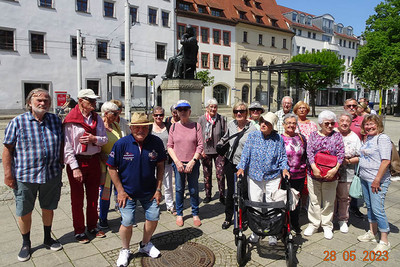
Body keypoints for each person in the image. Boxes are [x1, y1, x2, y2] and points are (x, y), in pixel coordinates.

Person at [3, 89, 64, 261]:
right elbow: (7, 149)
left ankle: (47, 238)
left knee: (48, 207)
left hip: (51, 174)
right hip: (25, 176)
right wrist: (8, 174)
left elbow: (61, 144)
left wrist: (60, 163)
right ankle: (26, 243)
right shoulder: (18, 122)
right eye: (38, 100)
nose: (43, 103)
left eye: (46, 100)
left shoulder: (55, 120)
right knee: (24, 211)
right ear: (29, 102)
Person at [107, 113, 166, 266]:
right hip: (127, 192)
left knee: (153, 217)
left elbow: (160, 166)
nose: (141, 130)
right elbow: (111, 168)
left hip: (150, 191)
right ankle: (125, 250)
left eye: (144, 127)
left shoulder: (156, 142)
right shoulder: (121, 144)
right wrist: (120, 191)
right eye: (137, 127)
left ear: (149, 127)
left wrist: (158, 189)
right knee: (127, 221)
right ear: (131, 127)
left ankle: (145, 244)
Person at [237, 112, 290, 245]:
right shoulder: (253, 136)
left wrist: (284, 168)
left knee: (273, 205)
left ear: (272, 126)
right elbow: (245, 154)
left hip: (273, 176)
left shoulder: (278, 138)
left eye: (267, 123)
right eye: (262, 122)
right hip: (255, 176)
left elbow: (283, 156)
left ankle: (273, 233)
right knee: (255, 204)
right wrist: (242, 167)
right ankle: (256, 231)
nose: (263, 125)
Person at [64, 89, 108, 243]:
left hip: (94, 160)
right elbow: (67, 146)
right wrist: (75, 168)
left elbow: (104, 139)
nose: (94, 103)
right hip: (77, 161)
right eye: (91, 101)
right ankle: (79, 230)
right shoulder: (71, 119)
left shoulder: (97, 118)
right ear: (81, 100)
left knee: (93, 197)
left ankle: (92, 226)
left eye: (95, 101)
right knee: (77, 199)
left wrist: (93, 138)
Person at [304, 110, 344, 240]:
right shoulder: (314, 135)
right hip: (314, 172)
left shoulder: (337, 136)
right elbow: (309, 152)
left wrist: (335, 169)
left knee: (328, 201)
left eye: (332, 123)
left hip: (331, 174)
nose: (330, 126)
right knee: (314, 200)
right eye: (327, 123)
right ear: (320, 123)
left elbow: (341, 153)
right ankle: (314, 224)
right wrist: (314, 167)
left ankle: (327, 225)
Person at [218, 102, 257, 230]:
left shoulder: (252, 128)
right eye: (236, 112)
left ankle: (243, 218)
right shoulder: (231, 125)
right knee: (230, 192)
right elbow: (225, 138)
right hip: (231, 162)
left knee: (244, 192)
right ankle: (228, 217)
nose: (239, 114)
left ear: (246, 113)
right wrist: (219, 144)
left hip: (245, 165)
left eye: (241, 111)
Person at [357, 115, 392, 252]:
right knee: (370, 207)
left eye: (372, 124)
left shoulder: (382, 138)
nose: (369, 127)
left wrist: (377, 179)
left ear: (378, 125)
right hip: (365, 178)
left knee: (378, 209)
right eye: (366, 124)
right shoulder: (369, 138)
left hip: (376, 180)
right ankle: (372, 232)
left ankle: (384, 240)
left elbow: (385, 161)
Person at [167, 100, 204, 227]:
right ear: (177, 112)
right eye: (180, 110)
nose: (182, 112)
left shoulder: (196, 126)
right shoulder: (173, 127)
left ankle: (195, 213)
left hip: (192, 162)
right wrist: (177, 162)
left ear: (189, 112)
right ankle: (180, 214)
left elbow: (200, 145)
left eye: (185, 109)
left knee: (193, 189)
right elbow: (170, 146)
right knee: (178, 189)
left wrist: (193, 161)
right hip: (178, 163)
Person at [281, 113, 307, 234]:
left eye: (293, 123)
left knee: (296, 201)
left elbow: (306, 155)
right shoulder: (279, 138)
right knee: (283, 200)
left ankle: (295, 223)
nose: (291, 125)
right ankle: (283, 224)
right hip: (284, 175)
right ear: (283, 125)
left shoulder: (301, 138)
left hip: (299, 175)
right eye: (288, 123)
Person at [198, 98, 227, 204]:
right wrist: (201, 150)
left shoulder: (221, 119)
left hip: (219, 151)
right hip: (206, 151)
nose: (213, 109)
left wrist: (222, 146)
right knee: (207, 174)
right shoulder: (201, 119)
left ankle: (222, 195)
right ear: (207, 108)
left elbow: (225, 135)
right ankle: (208, 195)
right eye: (211, 107)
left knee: (220, 174)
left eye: (215, 107)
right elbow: (198, 136)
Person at [98, 102, 122, 229]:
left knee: (120, 190)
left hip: (117, 163)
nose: (117, 116)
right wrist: (104, 156)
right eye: (115, 114)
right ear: (106, 114)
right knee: (105, 193)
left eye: (118, 113)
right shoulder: (99, 126)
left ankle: (124, 215)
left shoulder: (116, 125)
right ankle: (103, 218)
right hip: (105, 164)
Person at [336, 113, 361, 233]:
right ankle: (328, 221)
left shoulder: (354, 137)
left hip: (347, 171)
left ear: (351, 123)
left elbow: (360, 156)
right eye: (342, 120)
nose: (344, 123)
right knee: (330, 198)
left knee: (344, 198)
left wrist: (348, 161)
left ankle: (343, 220)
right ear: (338, 122)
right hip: (331, 171)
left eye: (347, 121)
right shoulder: (333, 133)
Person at [341, 98, 365, 218]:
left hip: (356, 157)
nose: (352, 108)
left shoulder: (362, 120)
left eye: (354, 106)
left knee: (354, 183)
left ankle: (354, 207)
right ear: (345, 107)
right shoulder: (339, 121)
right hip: (340, 161)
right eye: (349, 106)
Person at [150, 106, 175, 214]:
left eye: (161, 115)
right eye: (156, 115)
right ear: (153, 116)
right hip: (152, 160)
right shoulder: (149, 127)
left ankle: (170, 205)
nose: (159, 117)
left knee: (168, 184)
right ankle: (154, 204)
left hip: (166, 159)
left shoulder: (168, 126)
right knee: (153, 183)